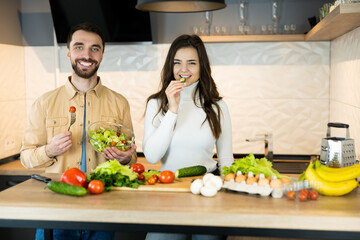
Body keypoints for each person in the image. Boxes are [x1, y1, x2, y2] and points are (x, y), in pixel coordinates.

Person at [20, 22, 137, 240]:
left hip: (103, 210)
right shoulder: (44, 103)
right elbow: (26, 158)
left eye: (95, 48)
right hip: (55, 209)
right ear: (68, 52)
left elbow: (130, 159)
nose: (87, 54)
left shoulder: (120, 103)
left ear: (102, 55)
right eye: (79, 46)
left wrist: (125, 158)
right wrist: (50, 150)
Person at [142, 34, 234, 240]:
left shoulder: (217, 107)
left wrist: (229, 200)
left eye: (191, 63)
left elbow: (226, 159)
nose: (184, 70)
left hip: (207, 192)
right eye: (177, 63)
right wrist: (172, 109)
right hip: (168, 193)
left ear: (202, 66)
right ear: (170, 66)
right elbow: (151, 156)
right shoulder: (156, 104)